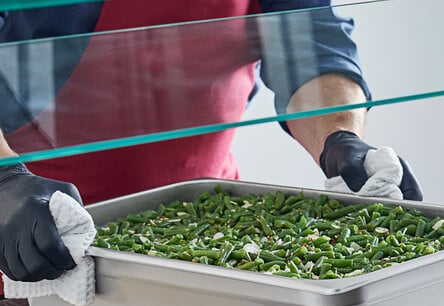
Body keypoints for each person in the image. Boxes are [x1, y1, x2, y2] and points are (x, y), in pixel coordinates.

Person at [0, 0, 422, 284]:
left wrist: (339, 138)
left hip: (204, 239)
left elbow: (311, 41)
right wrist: (5, 180)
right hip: (32, 237)